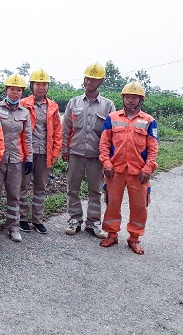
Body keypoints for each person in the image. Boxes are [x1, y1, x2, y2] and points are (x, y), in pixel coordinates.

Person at [99, 82, 159, 255]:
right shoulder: (112, 117)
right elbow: (104, 142)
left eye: (134, 97)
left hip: (139, 172)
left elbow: (153, 147)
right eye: (128, 97)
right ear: (123, 98)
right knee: (112, 203)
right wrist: (106, 163)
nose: (131, 100)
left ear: (140, 100)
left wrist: (148, 168)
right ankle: (112, 234)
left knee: (140, 206)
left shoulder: (149, 121)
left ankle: (134, 238)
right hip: (115, 170)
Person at [61, 62, 116, 238]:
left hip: (96, 156)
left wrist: (108, 157)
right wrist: (64, 149)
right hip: (75, 152)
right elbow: (66, 127)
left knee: (95, 190)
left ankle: (93, 223)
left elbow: (112, 133)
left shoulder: (108, 106)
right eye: (87, 78)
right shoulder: (74, 102)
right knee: (72, 188)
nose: (89, 82)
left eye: (93, 79)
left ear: (100, 82)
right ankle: (75, 219)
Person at [19, 68, 62, 234]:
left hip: (45, 152)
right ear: (32, 85)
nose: (41, 87)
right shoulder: (24, 104)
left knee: (40, 188)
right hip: (26, 153)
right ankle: (22, 219)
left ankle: (37, 219)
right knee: (23, 186)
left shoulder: (52, 106)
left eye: (44, 85)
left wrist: (56, 152)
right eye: (38, 84)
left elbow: (57, 131)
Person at [0, 74, 33, 242]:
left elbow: (27, 137)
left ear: (22, 92)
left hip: (16, 159)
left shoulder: (25, 112)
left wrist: (29, 158)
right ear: (6, 90)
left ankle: (13, 227)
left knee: (14, 195)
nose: (15, 93)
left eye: (19, 90)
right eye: (12, 89)